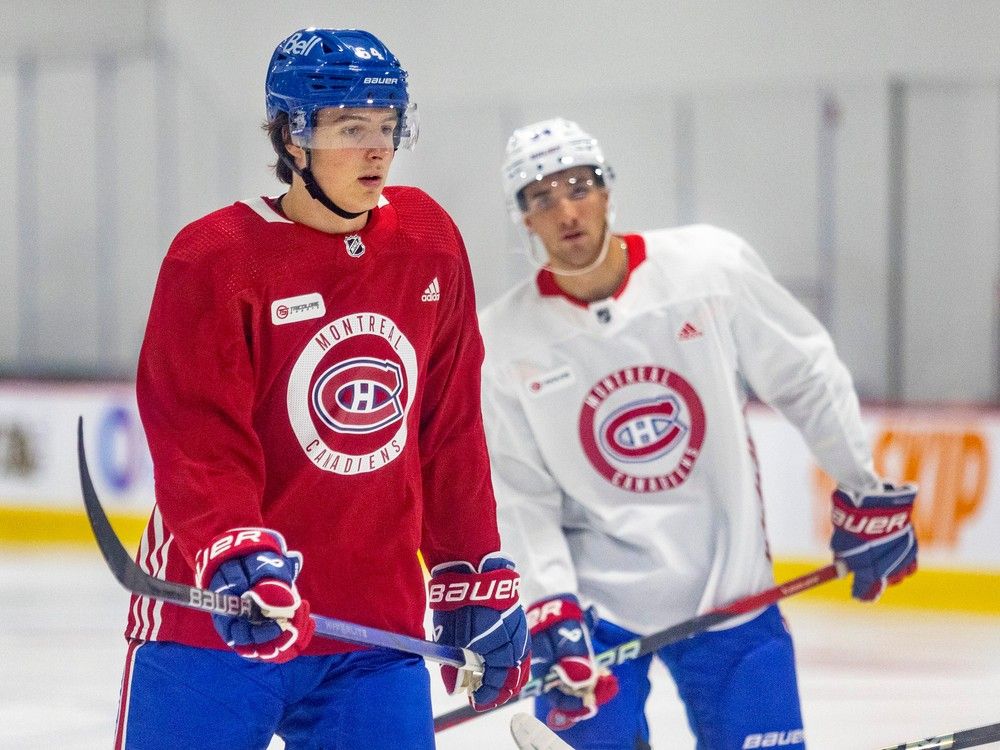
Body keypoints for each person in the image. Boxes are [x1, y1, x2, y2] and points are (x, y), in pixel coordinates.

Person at [116, 27, 529, 750]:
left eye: (388, 125)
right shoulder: (215, 258)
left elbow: (449, 427)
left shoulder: (429, 241)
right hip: (218, 621)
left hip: (371, 634)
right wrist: (234, 556)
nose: (376, 148)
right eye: (350, 126)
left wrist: (469, 572)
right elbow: (197, 440)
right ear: (292, 136)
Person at [478, 117, 918, 750]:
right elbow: (520, 492)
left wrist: (861, 483)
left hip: (733, 593)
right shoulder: (505, 339)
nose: (565, 211)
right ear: (524, 217)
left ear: (608, 190)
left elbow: (804, 371)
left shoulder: (708, 269)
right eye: (541, 198)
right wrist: (550, 606)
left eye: (579, 186)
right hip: (598, 620)